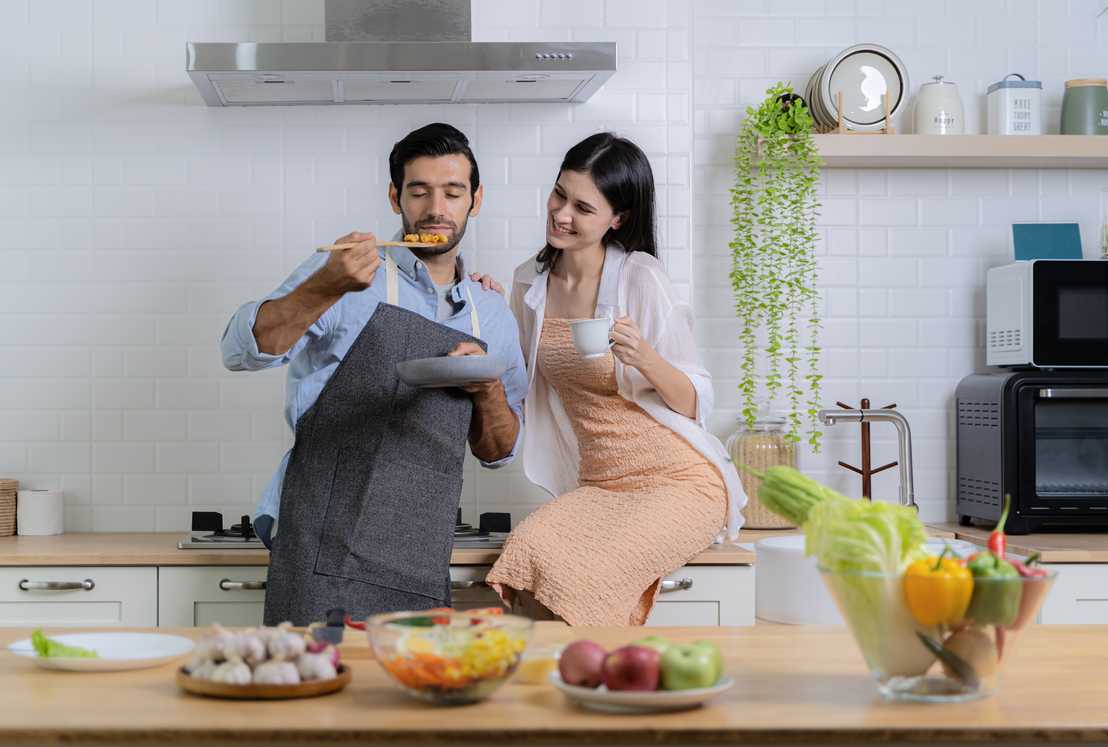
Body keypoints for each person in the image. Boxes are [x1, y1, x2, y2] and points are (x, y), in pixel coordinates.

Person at [220, 123, 527, 626]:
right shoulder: (346, 275)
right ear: (394, 197)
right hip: (318, 527)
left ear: (475, 200)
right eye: (419, 190)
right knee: (316, 690)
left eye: (452, 192)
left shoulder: (489, 311)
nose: (436, 208)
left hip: (417, 540)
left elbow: (500, 451)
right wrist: (325, 287)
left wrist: (487, 387)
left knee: (407, 690)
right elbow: (240, 351)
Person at [484, 133, 747, 625]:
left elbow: (696, 400)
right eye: (559, 194)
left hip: (678, 482)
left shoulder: (638, 277)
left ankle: (597, 686)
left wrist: (644, 357)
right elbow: (514, 378)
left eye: (583, 207)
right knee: (528, 551)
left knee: (581, 578)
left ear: (617, 219)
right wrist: (488, 310)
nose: (562, 214)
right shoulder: (528, 282)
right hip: (600, 485)